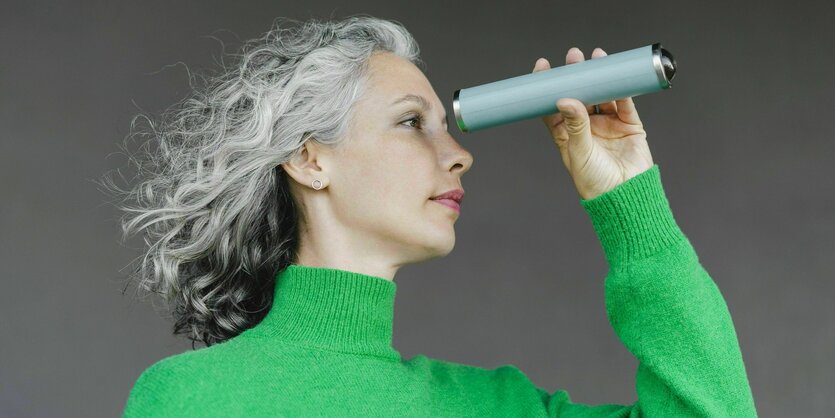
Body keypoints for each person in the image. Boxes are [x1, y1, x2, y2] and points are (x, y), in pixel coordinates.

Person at [105, 14, 757, 417]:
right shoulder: (191, 400)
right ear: (309, 160)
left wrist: (628, 200)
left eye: (447, 127)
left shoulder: (495, 407)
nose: (457, 157)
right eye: (412, 124)